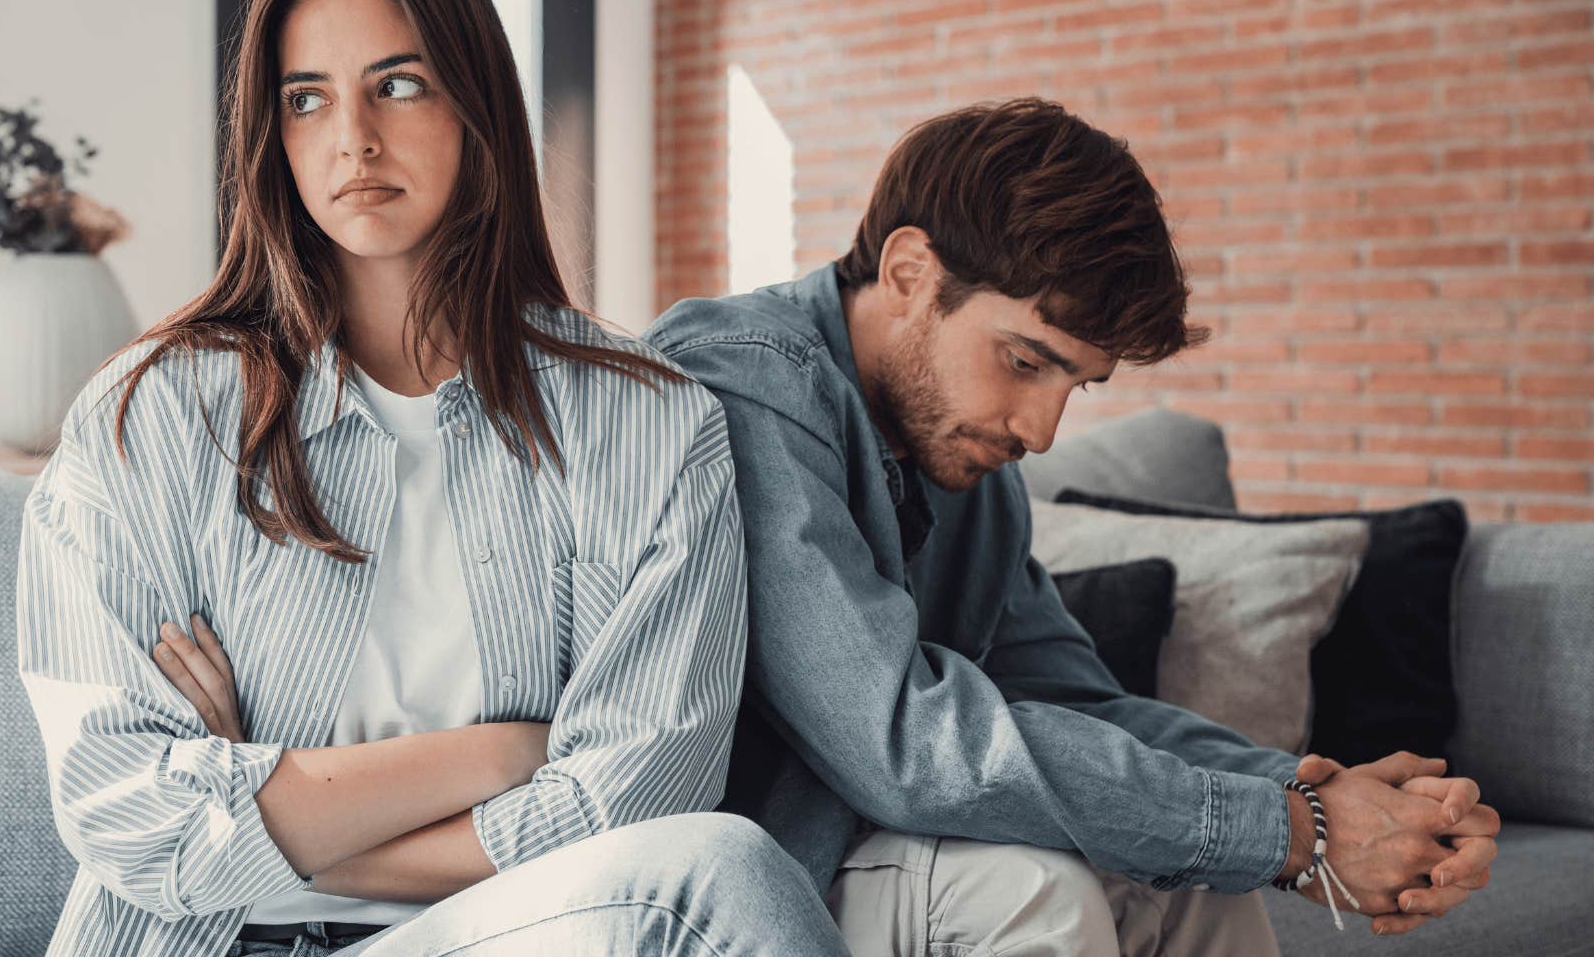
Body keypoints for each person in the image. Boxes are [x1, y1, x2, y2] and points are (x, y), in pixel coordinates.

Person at [15, 0, 850, 957]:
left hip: (504, 936)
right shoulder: (148, 418)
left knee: (719, 871)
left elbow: (638, 805)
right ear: (270, 134)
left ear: (475, 104)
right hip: (210, 946)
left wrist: (269, 799)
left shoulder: (652, 423)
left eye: (398, 85)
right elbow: (127, 817)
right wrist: (503, 755)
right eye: (306, 98)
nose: (352, 139)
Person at [643, 98, 1502, 956]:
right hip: (743, 888)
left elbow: (1077, 702)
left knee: (1206, 888)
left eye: (1076, 385)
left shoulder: (970, 466)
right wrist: (1291, 832)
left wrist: (1319, 799)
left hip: (878, 854)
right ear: (909, 273)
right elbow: (899, 741)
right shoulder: (748, 380)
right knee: (1039, 889)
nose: (1041, 432)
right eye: (1024, 361)